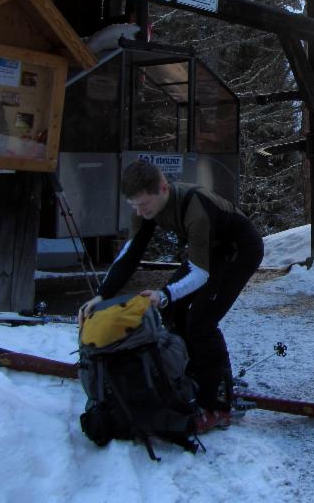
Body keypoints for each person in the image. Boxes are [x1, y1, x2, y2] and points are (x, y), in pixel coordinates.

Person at [78, 159, 264, 431]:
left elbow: (200, 275)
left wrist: (163, 293)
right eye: (135, 206)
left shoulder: (196, 207)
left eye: (145, 205)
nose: (141, 211)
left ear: (163, 189)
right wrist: (100, 295)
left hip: (240, 250)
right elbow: (131, 253)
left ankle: (219, 402)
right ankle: (191, 374)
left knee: (201, 321)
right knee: (172, 311)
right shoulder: (145, 209)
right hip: (210, 252)